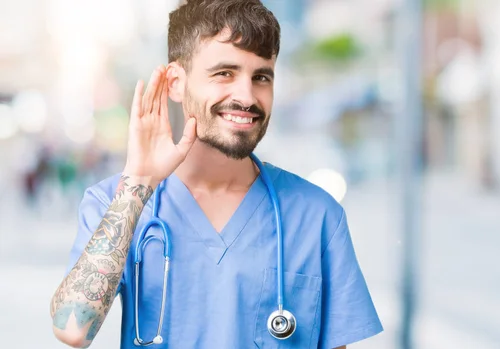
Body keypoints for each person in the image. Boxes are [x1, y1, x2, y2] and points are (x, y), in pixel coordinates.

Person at [49, 1, 383, 348]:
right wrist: (138, 183)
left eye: (261, 77)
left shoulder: (317, 216)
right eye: (224, 73)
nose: (247, 96)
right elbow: (72, 328)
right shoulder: (114, 203)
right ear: (176, 83)